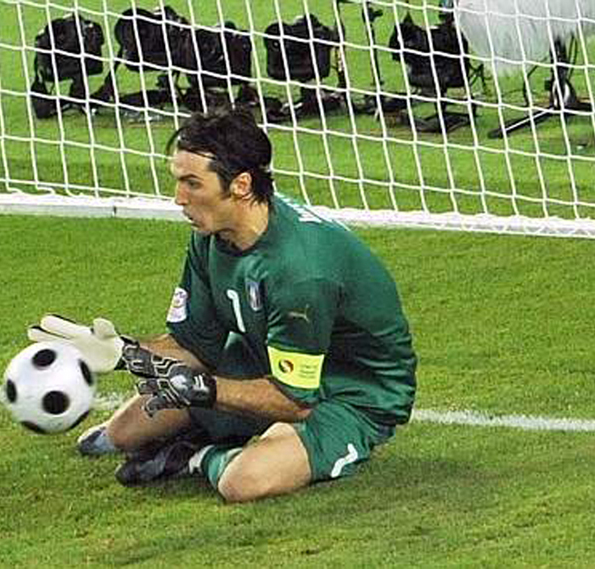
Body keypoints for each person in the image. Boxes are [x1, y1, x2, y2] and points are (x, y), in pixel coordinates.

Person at [28, 107, 417, 503]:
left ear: (241, 185)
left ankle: (197, 456)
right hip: (264, 358)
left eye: (192, 183)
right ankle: (223, 430)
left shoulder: (300, 272)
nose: (179, 198)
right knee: (122, 434)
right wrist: (123, 352)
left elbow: (294, 400)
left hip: (351, 393)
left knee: (242, 481)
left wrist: (205, 390)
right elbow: (196, 347)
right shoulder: (213, 234)